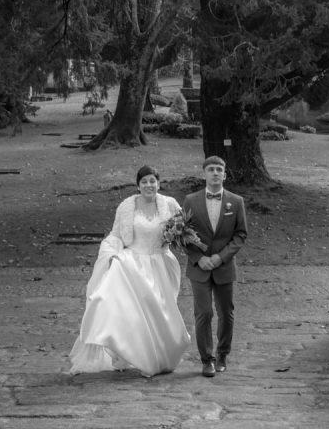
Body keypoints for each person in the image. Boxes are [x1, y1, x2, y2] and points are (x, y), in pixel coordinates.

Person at [69, 165, 190, 377]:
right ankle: (140, 358)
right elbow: (116, 235)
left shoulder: (170, 205)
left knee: (160, 314)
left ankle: (163, 356)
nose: (148, 185)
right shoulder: (127, 207)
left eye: (152, 181)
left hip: (160, 265)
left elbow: (185, 230)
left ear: (158, 183)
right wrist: (110, 253)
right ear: (138, 185)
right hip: (132, 265)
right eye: (144, 182)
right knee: (125, 310)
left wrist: (177, 236)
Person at [179, 156, 248, 377]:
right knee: (204, 313)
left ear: (225, 174)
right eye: (211, 169)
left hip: (224, 266)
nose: (215, 172)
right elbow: (182, 234)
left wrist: (221, 257)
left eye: (219, 169)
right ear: (204, 174)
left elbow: (240, 234)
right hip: (199, 268)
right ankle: (206, 359)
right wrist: (199, 258)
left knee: (226, 312)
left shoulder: (236, 202)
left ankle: (222, 355)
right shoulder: (190, 200)